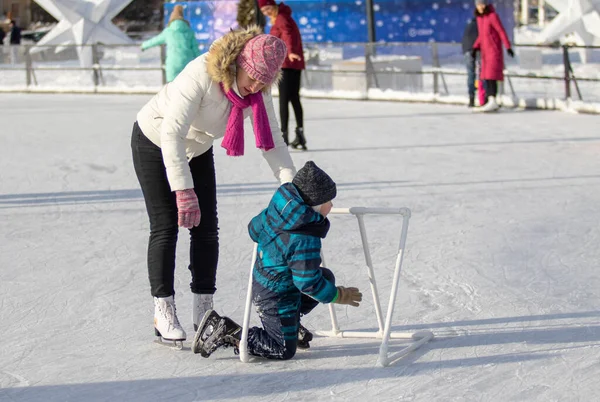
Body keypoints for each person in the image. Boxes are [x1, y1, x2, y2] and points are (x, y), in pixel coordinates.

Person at [131, 26, 296, 346]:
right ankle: (162, 310)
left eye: (266, 80)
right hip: (155, 139)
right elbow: (172, 134)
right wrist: (183, 190)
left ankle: (203, 311)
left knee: (207, 228)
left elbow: (272, 139)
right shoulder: (200, 75)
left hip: (198, 147)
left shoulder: (259, 90)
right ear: (238, 64)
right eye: (253, 77)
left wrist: (288, 181)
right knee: (166, 225)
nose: (257, 86)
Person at [192, 161, 363, 360]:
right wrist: (337, 295)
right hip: (275, 295)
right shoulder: (304, 236)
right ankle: (228, 331)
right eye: (327, 201)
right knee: (282, 349)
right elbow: (306, 282)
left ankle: (291, 325)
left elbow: (253, 229)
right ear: (315, 205)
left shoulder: (280, 211)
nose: (331, 205)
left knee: (326, 276)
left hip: (267, 279)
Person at [259, 0, 307, 150]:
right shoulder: (283, 16)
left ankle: (284, 136)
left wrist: (290, 51)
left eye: (267, 9)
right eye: (263, 10)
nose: (266, 12)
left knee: (284, 100)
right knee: (294, 98)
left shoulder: (281, 18)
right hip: (294, 63)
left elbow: (287, 35)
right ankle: (300, 133)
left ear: (272, 6)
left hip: (287, 64)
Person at [471, 0, 514, 112]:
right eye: (478, 5)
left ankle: (492, 100)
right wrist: (475, 47)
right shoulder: (480, 19)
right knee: (486, 76)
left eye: (482, 4)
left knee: (491, 76)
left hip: (493, 51)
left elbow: (501, 31)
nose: (480, 7)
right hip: (485, 52)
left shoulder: (492, 16)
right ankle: (488, 100)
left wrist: (508, 46)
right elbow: (482, 35)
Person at [141, 5, 201, 83]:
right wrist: (201, 62)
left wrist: (144, 45)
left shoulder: (168, 31)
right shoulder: (189, 31)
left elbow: (155, 40)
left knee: (171, 89)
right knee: (186, 88)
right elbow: (195, 49)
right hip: (187, 63)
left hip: (172, 64)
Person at [461, 17, 479, 107]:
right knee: (481, 73)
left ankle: (471, 98)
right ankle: (483, 96)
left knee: (471, 74)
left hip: (467, 50)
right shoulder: (480, 25)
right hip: (476, 49)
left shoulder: (469, 26)